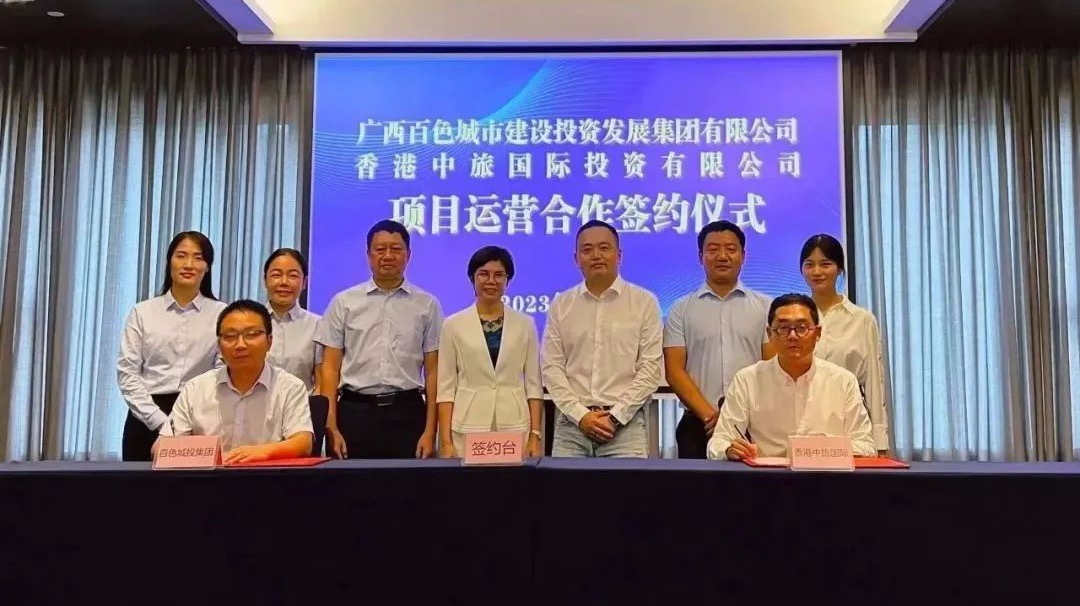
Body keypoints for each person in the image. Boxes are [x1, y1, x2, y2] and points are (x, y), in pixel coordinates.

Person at [315, 219, 443, 459]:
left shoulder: (427, 305)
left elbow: (433, 371)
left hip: (407, 412)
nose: (388, 256)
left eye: (396, 249)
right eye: (380, 249)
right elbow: (329, 368)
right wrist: (331, 426)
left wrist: (430, 431)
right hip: (354, 413)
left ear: (408, 255)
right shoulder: (344, 302)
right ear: (368, 255)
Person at [542, 220, 662, 458]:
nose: (596, 255)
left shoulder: (644, 302)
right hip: (571, 427)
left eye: (604, 248)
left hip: (625, 428)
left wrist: (615, 417)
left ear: (619, 255)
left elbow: (650, 369)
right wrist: (581, 416)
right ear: (577, 259)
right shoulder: (561, 304)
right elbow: (551, 367)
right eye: (587, 250)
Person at [707, 293, 875, 460]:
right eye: (783, 328)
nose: (792, 336)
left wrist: (818, 451)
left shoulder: (843, 381)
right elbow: (718, 442)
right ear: (770, 334)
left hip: (827, 473)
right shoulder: (747, 380)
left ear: (818, 333)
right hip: (768, 475)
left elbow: (865, 445)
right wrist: (729, 449)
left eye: (801, 328)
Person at [663, 221, 772, 459]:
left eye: (731, 249)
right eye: (713, 249)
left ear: (743, 256)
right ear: (700, 256)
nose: (722, 256)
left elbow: (772, 366)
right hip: (698, 425)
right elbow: (674, 371)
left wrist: (735, 417)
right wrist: (711, 416)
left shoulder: (766, 307)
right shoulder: (681, 309)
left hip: (753, 425)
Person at [116, 231, 227, 461]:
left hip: (199, 417)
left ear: (207, 267)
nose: (189, 264)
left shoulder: (221, 314)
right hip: (146, 417)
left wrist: (188, 422)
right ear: (169, 262)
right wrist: (161, 422)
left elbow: (222, 371)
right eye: (181, 256)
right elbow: (128, 374)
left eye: (198, 257)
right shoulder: (142, 312)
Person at [160, 299, 313, 464]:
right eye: (230, 336)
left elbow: (303, 443)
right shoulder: (196, 388)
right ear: (219, 346)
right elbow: (161, 447)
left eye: (251, 334)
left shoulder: (290, 387)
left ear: (269, 341)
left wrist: (263, 452)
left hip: (266, 476)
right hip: (208, 477)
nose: (240, 345)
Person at [436, 246, 544, 458]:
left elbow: (533, 385)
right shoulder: (453, 325)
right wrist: (446, 441)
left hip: (514, 426)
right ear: (472, 278)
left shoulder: (525, 324)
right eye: (483, 274)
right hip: (467, 426)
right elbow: (446, 387)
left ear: (507, 280)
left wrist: (535, 435)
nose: (491, 281)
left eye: (499, 275)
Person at [800, 234, 890, 454]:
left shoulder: (862, 320)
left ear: (839, 268)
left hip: (848, 419)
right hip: (800, 416)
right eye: (809, 265)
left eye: (825, 264)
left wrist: (880, 443)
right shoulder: (793, 319)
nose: (817, 272)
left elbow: (874, 383)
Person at [263, 248, 322, 393]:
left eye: (293, 276)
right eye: (276, 275)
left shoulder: (318, 326)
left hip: (302, 405)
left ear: (304, 282)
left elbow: (322, 382)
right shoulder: (248, 322)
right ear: (265, 280)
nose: (284, 282)